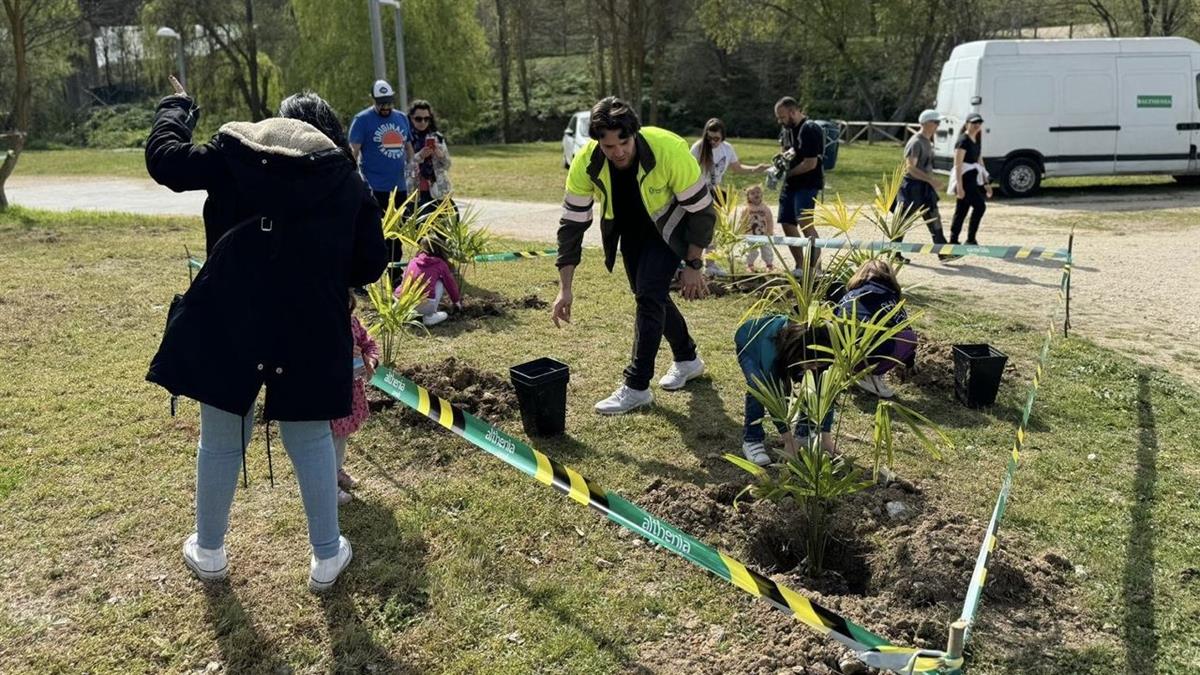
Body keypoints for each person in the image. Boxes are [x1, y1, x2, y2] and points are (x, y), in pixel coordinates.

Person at [145, 77, 388, 592]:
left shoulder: (235, 151)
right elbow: (370, 262)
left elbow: (166, 161)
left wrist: (179, 105)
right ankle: (326, 555)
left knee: (220, 438)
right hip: (310, 323)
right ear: (328, 129)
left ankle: (208, 550)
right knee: (311, 436)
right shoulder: (344, 177)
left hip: (228, 313)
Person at [552, 96, 715, 415]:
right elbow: (571, 226)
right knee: (649, 295)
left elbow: (702, 212)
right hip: (630, 231)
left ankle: (637, 386)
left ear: (634, 134)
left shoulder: (667, 150)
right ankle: (687, 359)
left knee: (648, 298)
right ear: (598, 141)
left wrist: (694, 263)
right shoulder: (587, 162)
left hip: (672, 227)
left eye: (623, 143)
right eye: (609, 146)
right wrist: (565, 288)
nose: (618, 152)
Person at [734, 316, 836, 466]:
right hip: (751, 345)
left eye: (819, 363)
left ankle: (804, 433)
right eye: (812, 363)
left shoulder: (820, 343)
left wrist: (825, 436)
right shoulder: (773, 349)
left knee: (815, 383)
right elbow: (770, 393)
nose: (815, 367)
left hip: (792, 354)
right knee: (758, 386)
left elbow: (825, 389)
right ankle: (752, 439)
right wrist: (788, 440)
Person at [349, 79, 413, 278]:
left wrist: (413, 168)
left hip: (399, 188)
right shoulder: (362, 120)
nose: (385, 107)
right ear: (373, 100)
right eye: (381, 103)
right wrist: (351, 179)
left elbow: (409, 147)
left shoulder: (402, 118)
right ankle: (364, 276)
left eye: (388, 102)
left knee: (396, 234)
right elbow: (354, 151)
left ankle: (394, 274)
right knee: (371, 233)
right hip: (374, 187)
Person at [834, 259, 918, 399]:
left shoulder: (847, 296)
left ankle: (850, 371)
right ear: (888, 276)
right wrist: (910, 363)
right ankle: (870, 375)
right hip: (868, 358)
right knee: (909, 337)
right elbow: (904, 326)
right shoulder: (888, 297)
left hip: (843, 356)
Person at [330, 291, 380, 505]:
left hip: (350, 389)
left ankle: (337, 470)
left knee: (342, 434)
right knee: (326, 439)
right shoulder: (318, 328)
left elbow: (369, 345)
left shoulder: (353, 323)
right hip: (327, 391)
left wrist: (370, 360)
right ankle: (327, 485)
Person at [897, 109, 959, 262]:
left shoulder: (928, 142)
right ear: (926, 123)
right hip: (912, 188)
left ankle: (943, 252)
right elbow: (910, 168)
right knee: (903, 222)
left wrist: (930, 181)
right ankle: (894, 254)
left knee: (934, 218)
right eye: (936, 122)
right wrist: (931, 180)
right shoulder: (916, 142)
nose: (938, 125)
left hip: (924, 188)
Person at [774, 97, 825, 274]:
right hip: (790, 184)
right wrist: (778, 166)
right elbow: (785, 152)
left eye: (782, 117)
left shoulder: (810, 129)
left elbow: (810, 163)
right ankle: (800, 266)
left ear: (793, 112)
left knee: (805, 223)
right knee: (787, 222)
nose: (780, 121)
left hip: (808, 183)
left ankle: (816, 268)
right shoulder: (786, 130)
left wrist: (788, 173)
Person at [690, 118, 768, 194]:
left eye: (716, 139)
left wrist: (756, 169)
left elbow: (737, 168)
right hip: (697, 191)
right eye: (709, 138)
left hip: (714, 190)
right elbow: (687, 171)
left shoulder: (727, 148)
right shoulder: (697, 148)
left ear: (723, 137)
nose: (712, 141)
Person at [948, 113, 992, 246]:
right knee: (979, 206)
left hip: (974, 177)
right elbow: (958, 165)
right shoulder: (963, 140)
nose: (977, 125)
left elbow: (979, 160)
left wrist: (986, 182)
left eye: (979, 123)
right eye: (974, 123)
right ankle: (969, 239)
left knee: (962, 210)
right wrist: (959, 187)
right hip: (965, 178)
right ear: (967, 124)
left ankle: (954, 240)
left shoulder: (977, 138)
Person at [400, 235, 462, 326]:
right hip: (425, 304)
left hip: (406, 302)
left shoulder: (413, 261)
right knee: (440, 282)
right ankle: (429, 317)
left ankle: (407, 314)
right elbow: (450, 284)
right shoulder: (440, 263)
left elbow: (404, 281)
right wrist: (456, 302)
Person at [405, 100, 452, 207]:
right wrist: (420, 156)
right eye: (418, 119)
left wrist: (440, 155)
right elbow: (403, 166)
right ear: (410, 118)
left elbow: (447, 165)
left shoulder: (437, 137)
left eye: (427, 119)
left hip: (437, 191)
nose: (423, 122)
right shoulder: (405, 139)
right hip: (413, 192)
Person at [740, 184, 776, 272]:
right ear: (748, 196)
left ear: (761, 194)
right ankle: (750, 265)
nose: (756, 194)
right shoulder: (746, 209)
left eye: (758, 192)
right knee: (751, 251)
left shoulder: (765, 208)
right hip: (750, 234)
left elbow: (769, 220)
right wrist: (742, 231)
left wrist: (770, 231)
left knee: (766, 250)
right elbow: (742, 221)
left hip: (764, 234)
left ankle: (769, 265)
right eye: (752, 193)